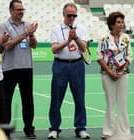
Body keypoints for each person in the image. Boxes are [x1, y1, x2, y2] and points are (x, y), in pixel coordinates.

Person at [48, 2, 90, 139]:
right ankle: (54, 128)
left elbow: (84, 48)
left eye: (74, 15)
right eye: (69, 15)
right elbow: (54, 49)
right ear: (63, 14)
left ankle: (81, 128)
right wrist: (68, 40)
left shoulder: (81, 29)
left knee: (79, 98)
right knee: (56, 98)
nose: (72, 18)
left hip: (77, 65)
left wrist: (76, 37)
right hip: (60, 65)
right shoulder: (55, 29)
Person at [0, 0, 38, 139]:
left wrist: (32, 35)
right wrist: (24, 34)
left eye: (22, 9)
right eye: (18, 9)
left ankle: (29, 129)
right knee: (6, 100)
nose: (21, 12)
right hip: (10, 68)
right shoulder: (4, 25)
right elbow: (6, 46)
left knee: (28, 100)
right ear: (11, 11)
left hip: (26, 67)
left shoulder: (27, 25)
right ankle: (5, 131)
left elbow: (34, 46)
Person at [96, 11, 133, 139]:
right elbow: (99, 57)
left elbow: (129, 57)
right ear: (111, 24)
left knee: (123, 104)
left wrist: (122, 71)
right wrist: (110, 72)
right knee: (110, 103)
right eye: (118, 22)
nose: (121, 24)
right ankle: (108, 132)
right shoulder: (104, 39)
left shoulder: (126, 38)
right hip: (107, 75)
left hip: (123, 75)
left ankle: (125, 132)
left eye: (122, 22)